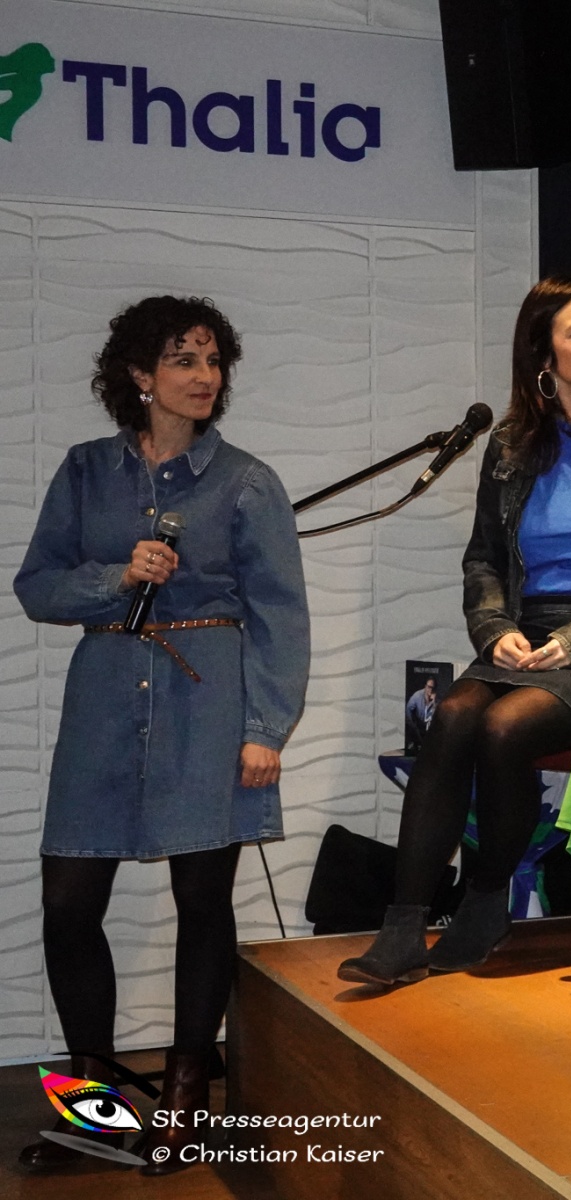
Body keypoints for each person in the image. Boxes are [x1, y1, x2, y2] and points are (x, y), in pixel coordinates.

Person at [13, 296, 309, 1174]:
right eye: (183, 359)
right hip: (104, 695)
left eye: (213, 360)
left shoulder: (248, 482)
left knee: (203, 901)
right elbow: (38, 587)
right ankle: (93, 1110)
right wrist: (116, 575)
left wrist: (263, 728)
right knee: (68, 904)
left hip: (207, 700)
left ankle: (185, 1099)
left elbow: (281, 616)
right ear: (140, 375)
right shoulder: (85, 471)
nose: (204, 376)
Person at [339, 277, 571, 988]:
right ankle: (403, 927)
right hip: (525, 639)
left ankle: (484, 900)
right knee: (452, 718)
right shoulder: (507, 445)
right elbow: (483, 559)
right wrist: (494, 628)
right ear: (543, 352)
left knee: (504, 727)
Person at [405, 674, 439, 751]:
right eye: (429, 687)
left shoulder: (437, 698)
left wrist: (434, 703)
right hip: (418, 725)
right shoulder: (417, 696)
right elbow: (408, 709)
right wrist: (412, 724)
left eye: (433, 688)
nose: (431, 690)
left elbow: (438, 716)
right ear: (425, 686)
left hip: (430, 728)